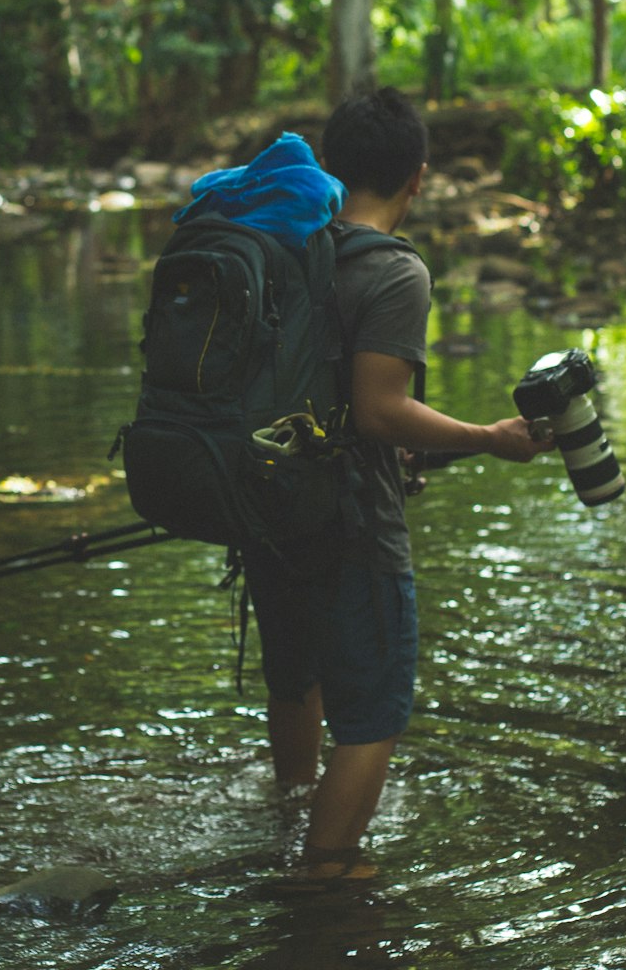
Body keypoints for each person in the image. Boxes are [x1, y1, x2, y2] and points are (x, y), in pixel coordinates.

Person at [243, 87, 551, 883]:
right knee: (373, 716)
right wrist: (488, 438)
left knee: (296, 679)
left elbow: (317, 395)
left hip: (269, 509)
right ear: (417, 178)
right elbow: (381, 410)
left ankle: (289, 812)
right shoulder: (393, 270)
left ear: (332, 167)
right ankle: (327, 876)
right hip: (350, 524)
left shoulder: (285, 252)